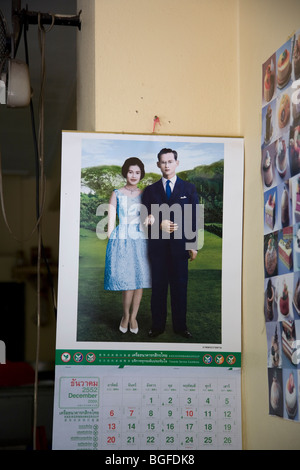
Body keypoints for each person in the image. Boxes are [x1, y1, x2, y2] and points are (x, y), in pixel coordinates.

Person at [142, 148, 199, 338]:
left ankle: (180, 327)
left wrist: (192, 244)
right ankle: (157, 326)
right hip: (157, 249)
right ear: (158, 164)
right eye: (163, 162)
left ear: (177, 163)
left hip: (180, 248)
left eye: (170, 161)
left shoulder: (189, 189)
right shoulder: (150, 191)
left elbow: (194, 219)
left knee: (180, 288)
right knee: (158, 288)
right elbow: (144, 220)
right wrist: (159, 224)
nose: (166, 165)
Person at [104, 157, 151, 334]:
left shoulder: (145, 194)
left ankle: (134, 316)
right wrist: (111, 241)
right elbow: (110, 219)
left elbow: (147, 218)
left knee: (140, 280)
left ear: (141, 174)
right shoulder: (116, 193)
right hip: (122, 238)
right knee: (127, 281)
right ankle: (125, 315)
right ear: (126, 172)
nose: (134, 175)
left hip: (140, 239)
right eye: (131, 171)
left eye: (137, 172)